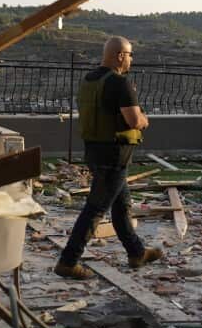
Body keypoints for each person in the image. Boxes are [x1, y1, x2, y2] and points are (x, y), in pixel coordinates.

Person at [55, 36, 162, 280]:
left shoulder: (89, 80)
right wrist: (145, 120)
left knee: (121, 205)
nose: (132, 59)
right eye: (130, 55)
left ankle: (136, 252)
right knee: (96, 209)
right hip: (114, 155)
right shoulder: (119, 83)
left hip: (95, 151)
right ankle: (68, 261)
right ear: (120, 55)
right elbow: (134, 120)